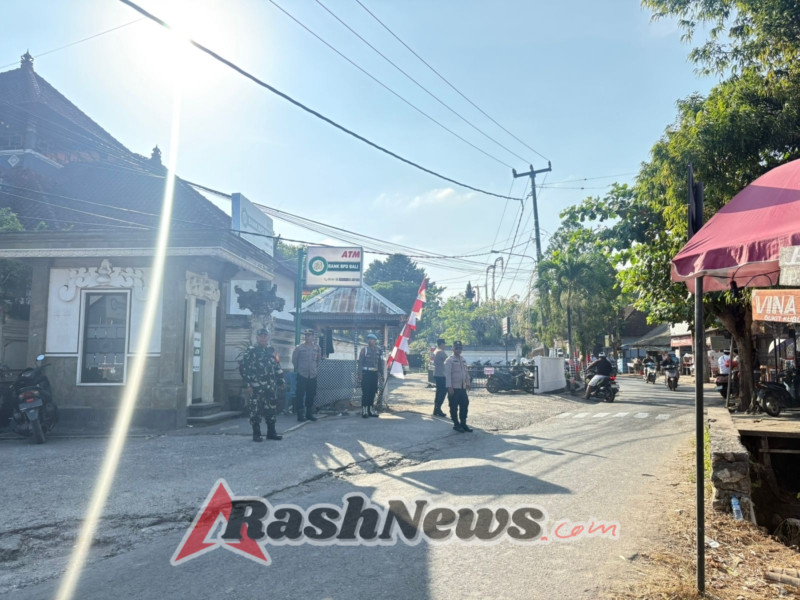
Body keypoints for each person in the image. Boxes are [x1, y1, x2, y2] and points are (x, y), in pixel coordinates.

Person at [240, 328, 285, 442]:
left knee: (271, 409)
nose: (263, 338)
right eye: (261, 336)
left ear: (268, 337)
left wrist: (281, 380)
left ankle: (271, 432)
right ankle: (256, 434)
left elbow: (277, 365)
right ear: (257, 337)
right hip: (256, 387)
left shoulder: (272, 350)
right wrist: (247, 385)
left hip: (270, 386)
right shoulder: (251, 351)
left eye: (265, 336)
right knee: (256, 410)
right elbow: (244, 369)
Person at [292, 329, 322, 423]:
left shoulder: (317, 348)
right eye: (306, 335)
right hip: (302, 375)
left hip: (312, 375)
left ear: (313, 337)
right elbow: (294, 360)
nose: (307, 337)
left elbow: (318, 360)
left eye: (309, 335)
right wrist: (299, 369)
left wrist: (314, 369)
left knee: (311, 394)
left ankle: (309, 413)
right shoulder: (299, 348)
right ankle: (300, 414)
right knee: (300, 395)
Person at [445, 341, 472, 432]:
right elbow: (448, 374)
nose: (458, 350)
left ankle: (463, 423)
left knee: (465, 404)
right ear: (452, 349)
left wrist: (468, 383)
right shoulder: (450, 360)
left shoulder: (463, 359)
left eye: (460, 348)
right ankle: (456, 424)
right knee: (453, 406)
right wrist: (449, 386)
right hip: (454, 388)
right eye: (456, 348)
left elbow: (466, 372)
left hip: (462, 387)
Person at [358, 333, 383, 418]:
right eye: (369, 339)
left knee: (373, 392)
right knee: (366, 392)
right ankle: (364, 410)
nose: (370, 341)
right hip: (366, 374)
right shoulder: (364, 350)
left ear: (375, 341)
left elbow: (380, 363)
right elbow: (360, 363)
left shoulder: (379, 350)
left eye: (371, 339)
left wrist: (382, 374)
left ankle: (370, 410)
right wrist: (360, 374)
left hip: (374, 374)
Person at [432, 338, 448, 417]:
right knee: (443, 392)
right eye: (444, 344)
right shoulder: (441, 352)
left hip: (437, 374)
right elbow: (448, 361)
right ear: (441, 344)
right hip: (441, 374)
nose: (445, 345)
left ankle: (436, 409)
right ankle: (438, 408)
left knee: (438, 392)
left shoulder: (435, 351)